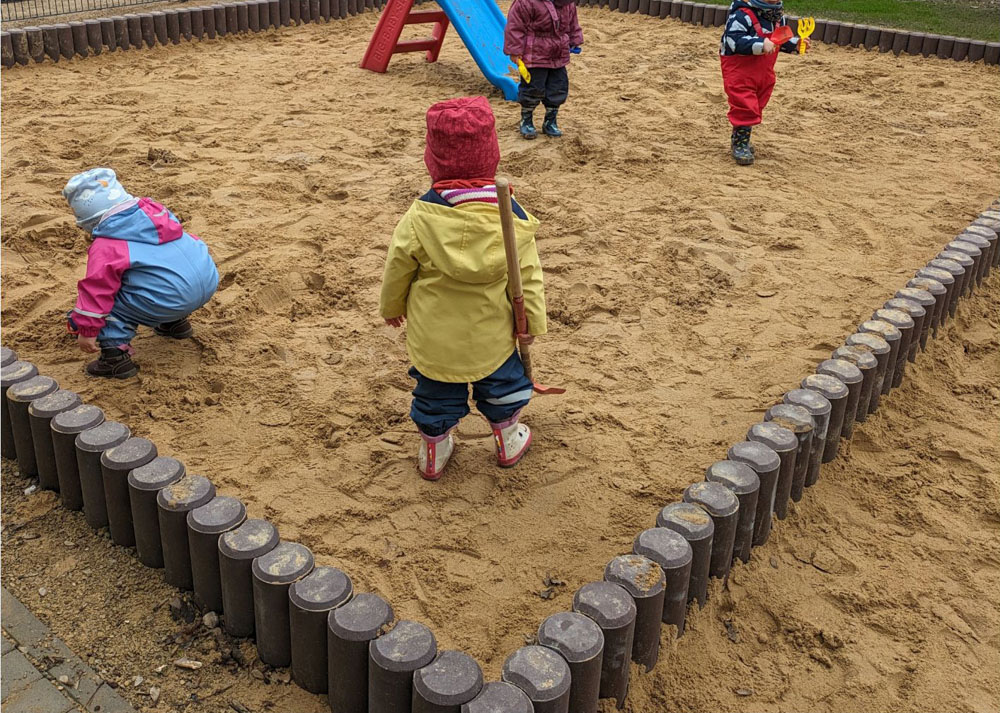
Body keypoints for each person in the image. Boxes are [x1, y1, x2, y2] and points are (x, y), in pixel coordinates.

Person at [379, 97, 547, 480]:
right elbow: (529, 277)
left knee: (434, 395)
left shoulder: (420, 215)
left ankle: (434, 453)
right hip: (494, 336)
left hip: (434, 337)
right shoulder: (511, 219)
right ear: (492, 157)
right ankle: (508, 438)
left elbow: (398, 265)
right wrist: (532, 323)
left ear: (433, 160)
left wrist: (392, 306)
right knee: (503, 387)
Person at [63, 168, 219, 379]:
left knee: (109, 303)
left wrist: (87, 329)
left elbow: (96, 291)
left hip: (169, 298)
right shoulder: (158, 216)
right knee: (158, 271)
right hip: (206, 282)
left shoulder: (107, 244)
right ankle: (175, 323)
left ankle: (115, 359)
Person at [719, 0, 807, 165]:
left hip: (763, 71)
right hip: (739, 70)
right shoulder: (742, 15)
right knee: (745, 105)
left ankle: (740, 136)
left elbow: (780, 40)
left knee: (757, 103)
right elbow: (733, 40)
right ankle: (740, 143)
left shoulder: (778, 18)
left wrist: (795, 45)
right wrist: (760, 44)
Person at [503, 0, 584, 140]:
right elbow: (515, 27)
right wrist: (515, 51)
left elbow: (572, 23)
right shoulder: (526, 2)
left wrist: (575, 39)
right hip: (535, 55)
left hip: (558, 54)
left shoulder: (566, 3)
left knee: (558, 87)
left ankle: (550, 121)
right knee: (532, 88)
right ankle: (526, 120)